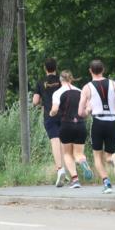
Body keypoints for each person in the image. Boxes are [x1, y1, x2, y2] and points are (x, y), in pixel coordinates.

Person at [78, 60, 115, 194]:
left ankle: (107, 182)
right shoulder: (114, 84)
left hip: (98, 121)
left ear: (90, 71)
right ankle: (112, 159)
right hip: (113, 120)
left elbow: (80, 112)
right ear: (103, 70)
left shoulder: (87, 87)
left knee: (97, 157)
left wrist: (88, 110)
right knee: (108, 155)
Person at [50, 71, 91, 188]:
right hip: (80, 125)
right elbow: (88, 108)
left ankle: (75, 179)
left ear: (60, 80)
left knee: (67, 154)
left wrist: (51, 113)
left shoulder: (58, 93)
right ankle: (82, 161)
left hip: (66, 125)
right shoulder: (80, 91)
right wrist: (85, 113)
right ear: (71, 79)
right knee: (78, 153)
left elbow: (54, 109)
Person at [32, 58, 66, 187]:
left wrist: (41, 102)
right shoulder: (61, 81)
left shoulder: (41, 82)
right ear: (55, 68)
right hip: (63, 114)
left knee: (55, 141)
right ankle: (67, 169)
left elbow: (35, 101)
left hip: (49, 115)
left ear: (45, 68)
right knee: (63, 141)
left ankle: (60, 169)